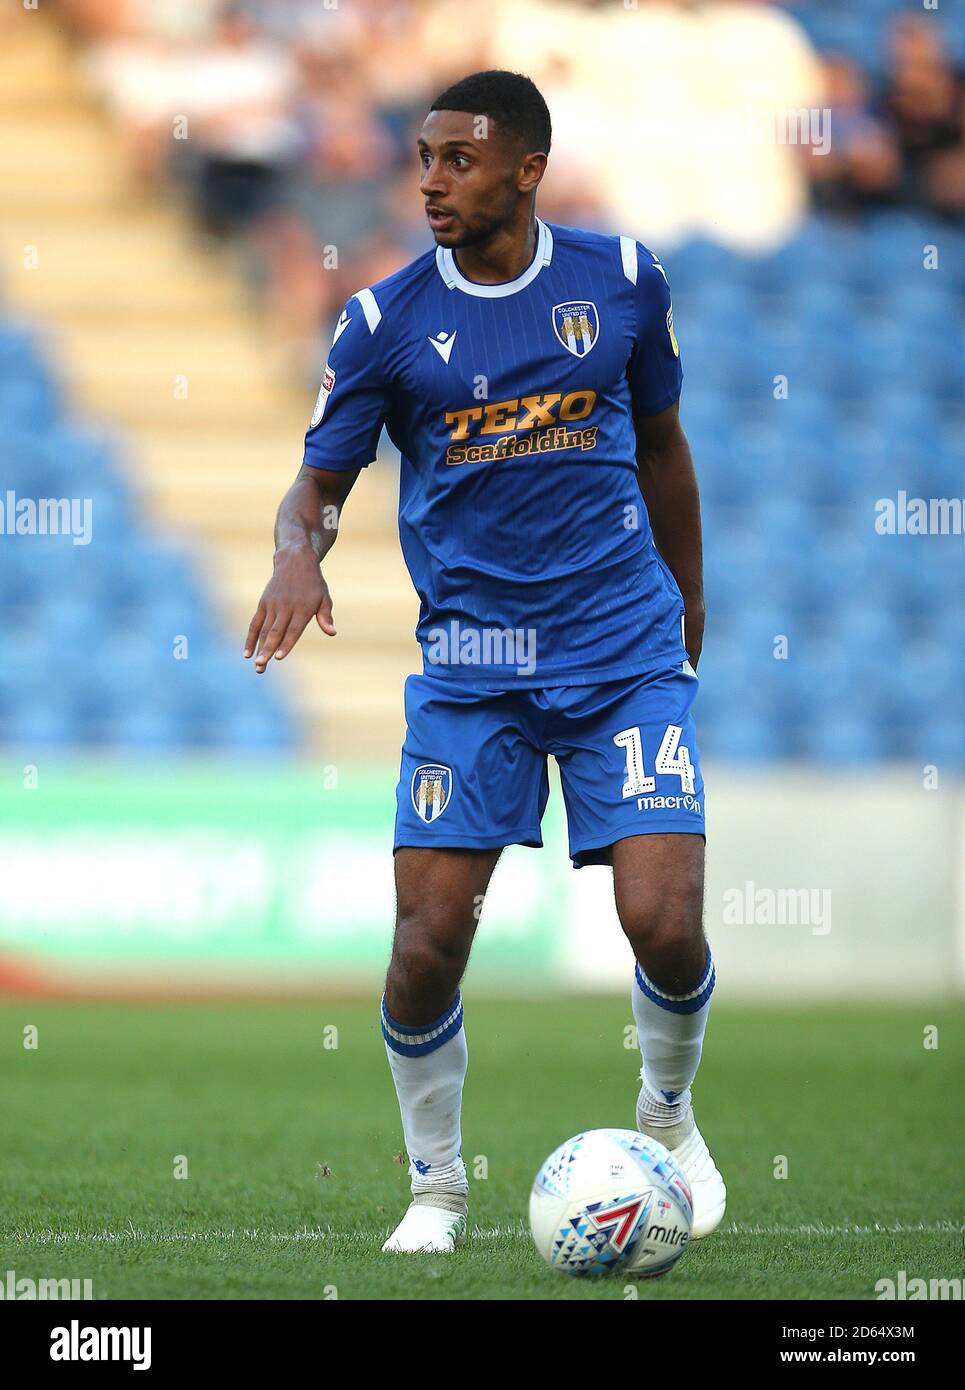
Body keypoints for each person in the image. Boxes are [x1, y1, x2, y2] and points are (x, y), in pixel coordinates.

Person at [245, 69, 725, 1255]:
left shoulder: (619, 282)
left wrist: (689, 597)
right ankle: (438, 1188)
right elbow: (315, 490)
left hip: (618, 648)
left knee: (661, 921)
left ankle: (663, 1116)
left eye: (458, 159)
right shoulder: (381, 322)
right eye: (421, 157)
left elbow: (662, 447)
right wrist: (298, 555)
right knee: (424, 945)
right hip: (472, 666)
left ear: (526, 168)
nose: (429, 179)